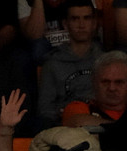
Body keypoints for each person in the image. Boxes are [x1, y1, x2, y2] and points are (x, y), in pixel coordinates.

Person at [35, 0, 103, 129]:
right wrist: (66, 111)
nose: (81, 25)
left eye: (86, 18)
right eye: (75, 19)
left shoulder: (105, 61)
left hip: (101, 124)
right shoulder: (52, 63)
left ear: (94, 23)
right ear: (65, 24)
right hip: (65, 128)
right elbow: (45, 109)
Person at [62, 51, 127, 126]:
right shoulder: (79, 107)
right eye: (105, 82)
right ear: (94, 83)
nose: (112, 88)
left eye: (119, 82)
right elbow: (78, 122)